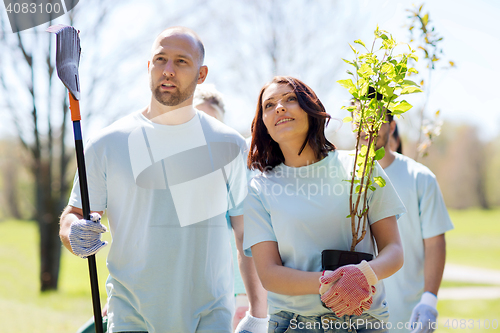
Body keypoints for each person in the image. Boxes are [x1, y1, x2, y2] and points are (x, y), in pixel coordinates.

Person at [60, 26, 263, 332]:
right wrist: (74, 232)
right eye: (160, 59)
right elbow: (74, 215)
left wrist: (258, 314)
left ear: (201, 73)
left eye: (181, 61)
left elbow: (246, 234)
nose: (168, 70)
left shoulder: (231, 146)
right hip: (131, 315)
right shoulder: (106, 143)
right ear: (148, 66)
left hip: (209, 317)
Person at [243, 76, 406, 332]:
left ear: (311, 109)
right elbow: (269, 274)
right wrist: (331, 282)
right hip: (294, 324)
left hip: (364, 321)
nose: (280, 107)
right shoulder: (258, 189)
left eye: (290, 99)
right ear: (263, 124)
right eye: (269, 105)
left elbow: (394, 250)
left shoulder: (361, 167)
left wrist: (364, 274)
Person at [366, 112, 453, 332]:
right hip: (356, 318)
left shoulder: (420, 178)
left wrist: (429, 301)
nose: (368, 128)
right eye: (360, 121)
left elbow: (434, 243)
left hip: (407, 317)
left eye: (375, 121)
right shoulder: (344, 180)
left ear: (392, 126)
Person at [194, 84, 269, 332]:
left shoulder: (239, 168)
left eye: (211, 122)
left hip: (239, 288)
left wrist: (255, 305)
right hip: (195, 288)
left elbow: (244, 234)